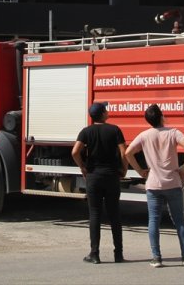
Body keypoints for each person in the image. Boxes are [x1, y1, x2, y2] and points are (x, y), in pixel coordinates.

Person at [124, 104, 184, 268]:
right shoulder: (173, 132)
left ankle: (156, 257)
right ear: (162, 117)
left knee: (153, 221)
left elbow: (128, 153)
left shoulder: (144, 135)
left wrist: (140, 171)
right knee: (179, 221)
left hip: (153, 185)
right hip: (173, 182)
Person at [72, 101, 127, 264]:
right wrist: (124, 169)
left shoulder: (86, 132)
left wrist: (83, 167)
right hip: (111, 176)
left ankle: (94, 254)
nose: (107, 112)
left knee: (95, 214)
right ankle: (118, 254)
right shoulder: (115, 130)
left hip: (93, 177)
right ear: (103, 114)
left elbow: (75, 152)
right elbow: (123, 152)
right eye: (105, 110)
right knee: (114, 214)